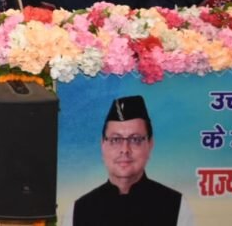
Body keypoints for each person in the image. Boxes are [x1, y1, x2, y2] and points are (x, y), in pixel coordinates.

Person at [69, 95, 192, 226]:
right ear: (102, 144)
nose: (125, 149)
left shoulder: (176, 207)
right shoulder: (78, 211)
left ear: (150, 144)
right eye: (115, 139)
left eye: (135, 139)